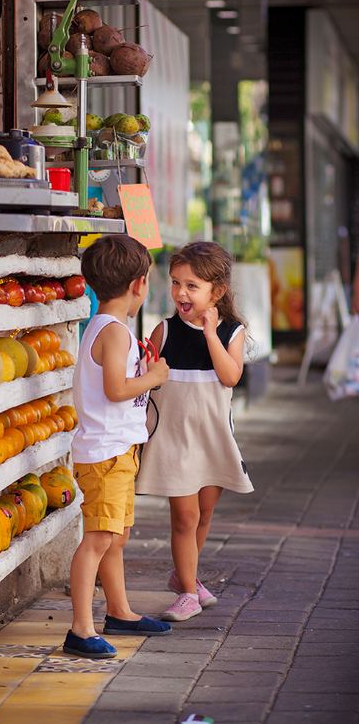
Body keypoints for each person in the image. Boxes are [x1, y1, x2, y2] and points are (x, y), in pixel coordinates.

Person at [63, 235, 171, 659]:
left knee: (117, 535)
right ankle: (80, 629)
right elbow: (116, 389)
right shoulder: (115, 332)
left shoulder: (108, 328)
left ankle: (119, 611)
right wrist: (153, 378)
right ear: (139, 284)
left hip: (118, 450)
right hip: (106, 453)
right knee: (98, 538)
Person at [135, 241, 254, 622]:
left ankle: (184, 575)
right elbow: (147, 378)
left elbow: (230, 376)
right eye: (175, 283)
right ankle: (188, 591)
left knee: (203, 515)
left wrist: (210, 334)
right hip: (174, 438)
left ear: (216, 292)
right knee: (184, 519)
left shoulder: (232, 332)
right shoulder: (164, 330)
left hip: (213, 438)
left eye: (191, 286)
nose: (181, 293)